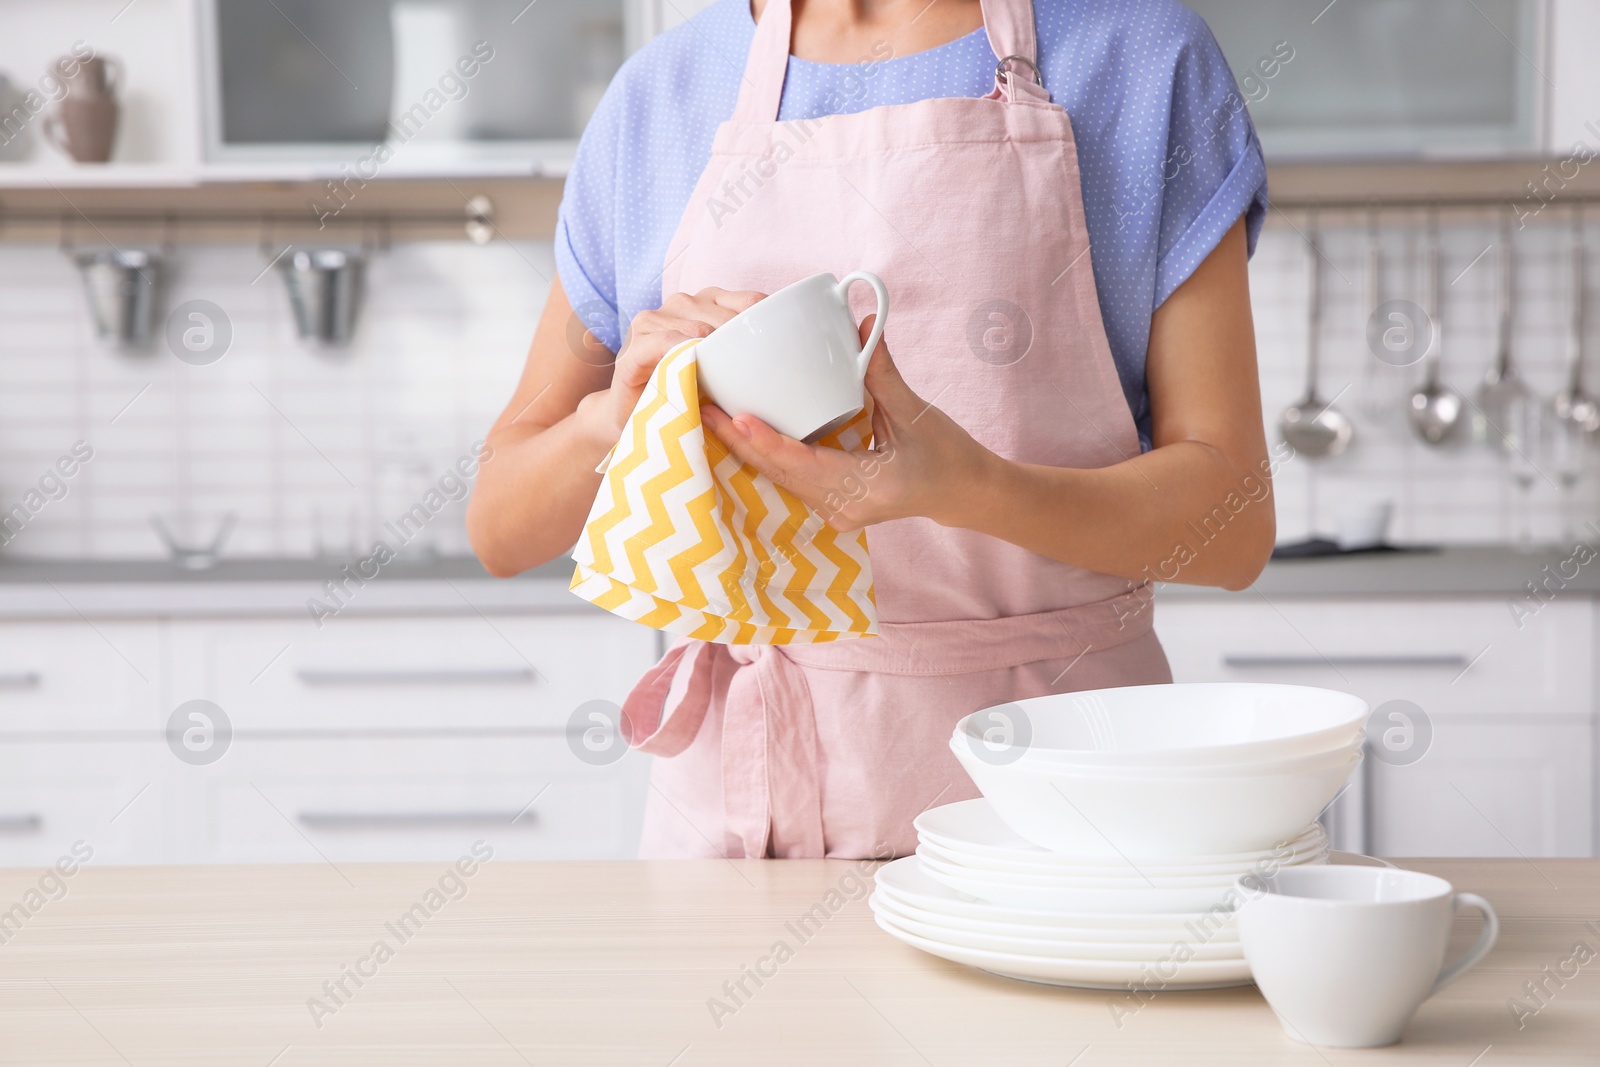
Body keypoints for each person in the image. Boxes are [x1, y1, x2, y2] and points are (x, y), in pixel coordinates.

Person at [468, 0, 1275, 860]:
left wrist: (971, 489)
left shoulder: (1141, 59)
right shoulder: (661, 97)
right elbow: (501, 525)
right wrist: (613, 421)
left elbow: (1233, 522)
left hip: (1053, 816)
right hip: (740, 825)